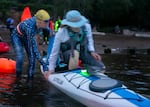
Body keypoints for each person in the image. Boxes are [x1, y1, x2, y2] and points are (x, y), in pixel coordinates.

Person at [44, 10, 106, 80]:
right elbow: (54, 52)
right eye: (75, 25)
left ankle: (89, 72)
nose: (78, 26)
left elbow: (90, 39)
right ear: (69, 25)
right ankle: (73, 75)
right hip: (67, 54)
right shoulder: (61, 33)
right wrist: (51, 69)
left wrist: (92, 51)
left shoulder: (86, 26)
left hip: (83, 51)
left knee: (101, 66)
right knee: (75, 54)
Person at [11, 9, 50, 81]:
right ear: (39, 21)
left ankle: (30, 79)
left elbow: (50, 33)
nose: (48, 24)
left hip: (26, 36)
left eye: (48, 21)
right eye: (46, 22)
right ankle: (17, 78)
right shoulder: (30, 28)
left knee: (32, 59)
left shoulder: (43, 23)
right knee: (20, 57)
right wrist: (43, 63)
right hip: (17, 36)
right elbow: (34, 49)